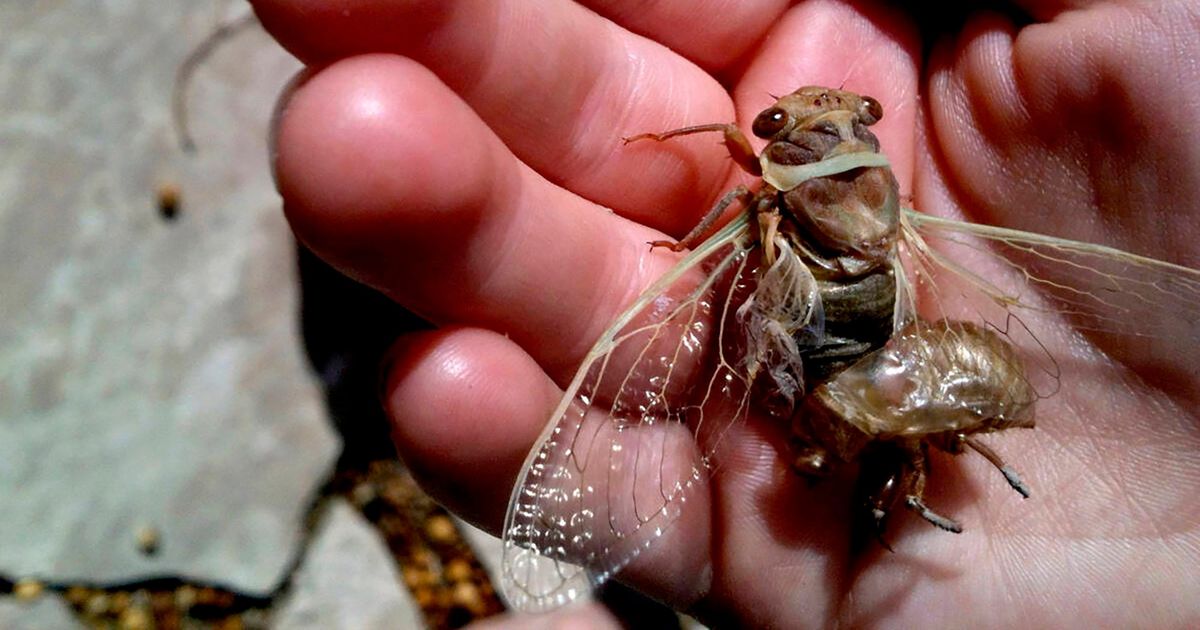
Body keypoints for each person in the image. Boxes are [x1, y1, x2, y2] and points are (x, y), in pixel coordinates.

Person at [251, 1, 1200, 626]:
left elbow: (721, 176)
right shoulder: (877, 198)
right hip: (873, 315)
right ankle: (880, 442)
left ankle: (862, 436)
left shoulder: (758, 192)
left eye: (833, 124)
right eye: (791, 127)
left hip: (813, 337)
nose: (816, 126)